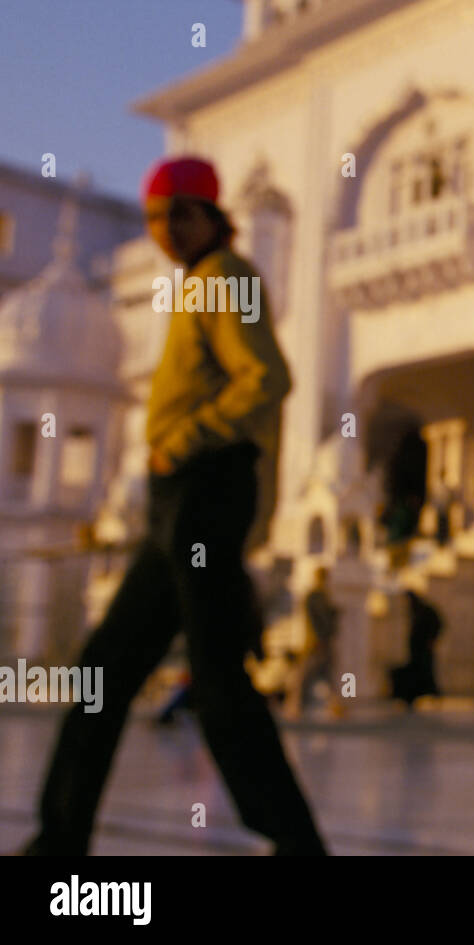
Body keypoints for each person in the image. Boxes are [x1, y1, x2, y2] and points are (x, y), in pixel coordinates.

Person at [23, 156, 326, 856]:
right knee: (106, 668)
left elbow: (268, 377)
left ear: (211, 215)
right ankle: (59, 836)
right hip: (179, 501)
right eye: (155, 218)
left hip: (204, 491)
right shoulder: (201, 282)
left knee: (218, 680)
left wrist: (186, 438)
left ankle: (296, 841)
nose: (164, 231)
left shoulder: (226, 276)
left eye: (178, 215)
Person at [285, 566, 344, 720]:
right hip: (317, 641)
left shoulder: (322, 595)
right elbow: (316, 620)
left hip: (321, 640)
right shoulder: (316, 596)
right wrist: (320, 636)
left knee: (330, 673)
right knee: (308, 674)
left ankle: (336, 705)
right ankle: (297, 705)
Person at [389, 587, 443, 706]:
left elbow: (438, 624)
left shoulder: (425, 610)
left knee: (425, 674)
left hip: (423, 650)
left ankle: (432, 696)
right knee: (417, 674)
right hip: (416, 650)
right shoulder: (416, 610)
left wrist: (431, 640)